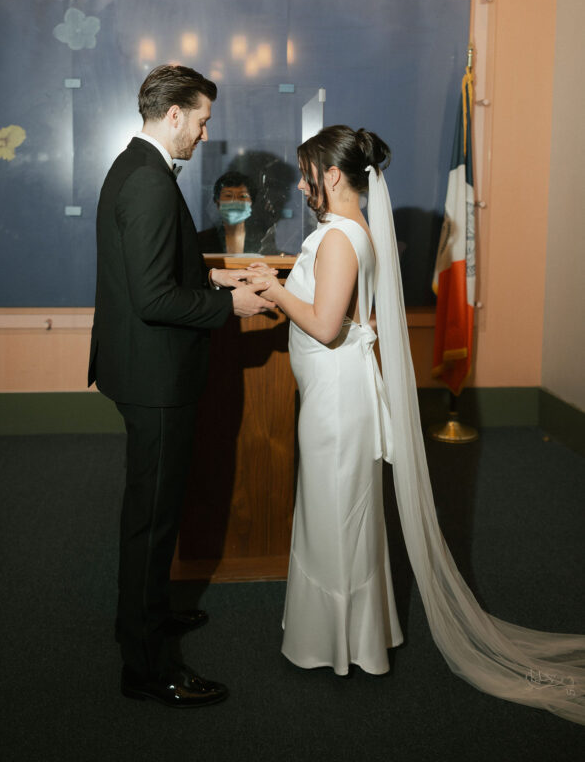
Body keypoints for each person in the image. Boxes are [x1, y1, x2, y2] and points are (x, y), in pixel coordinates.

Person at [249, 125, 584, 725]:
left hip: (334, 403)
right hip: (339, 393)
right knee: (341, 513)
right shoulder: (357, 233)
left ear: (331, 175)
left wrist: (275, 289)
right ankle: (356, 639)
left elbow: (326, 326)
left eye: (307, 174)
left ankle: (339, 645)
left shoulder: (337, 241)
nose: (301, 185)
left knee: (334, 515)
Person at [88, 64, 268, 709]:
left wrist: (215, 279)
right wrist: (232, 309)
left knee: (150, 515)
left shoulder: (134, 167)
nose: (202, 131)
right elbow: (156, 297)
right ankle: (146, 666)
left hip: (141, 367)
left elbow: (159, 266)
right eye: (201, 118)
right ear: (174, 115)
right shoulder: (150, 183)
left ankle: (144, 615)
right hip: (156, 376)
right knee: (153, 522)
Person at [197, 171, 259, 254]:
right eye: (228, 196)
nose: (235, 202)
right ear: (218, 202)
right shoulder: (201, 240)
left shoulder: (262, 239)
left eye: (242, 196)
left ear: (252, 202)